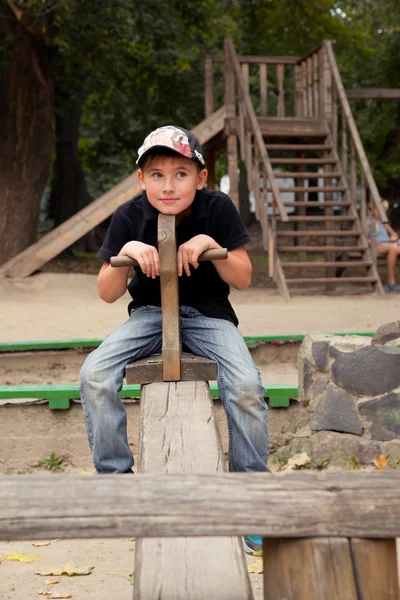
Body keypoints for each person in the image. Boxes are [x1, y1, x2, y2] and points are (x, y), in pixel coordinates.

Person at [79, 125, 268, 555]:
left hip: (208, 315)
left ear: (201, 178)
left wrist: (210, 242)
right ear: (141, 179)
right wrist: (125, 252)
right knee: (94, 375)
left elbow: (242, 278)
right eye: (157, 174)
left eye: (181, 173)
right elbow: (107, 292)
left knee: (245, 385)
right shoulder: (130, 215)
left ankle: (251, 497)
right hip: (148, 316)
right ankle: (116, 486)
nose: (169, 185)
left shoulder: (217, 207)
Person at [367, 199, 400, 293]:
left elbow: (394, 235)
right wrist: (374, 242)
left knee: (394, 248)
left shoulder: (384, 223)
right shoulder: (368, 222)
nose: (382, 212)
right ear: (372, 209)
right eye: (380, 210)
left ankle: (391, 282)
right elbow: (364, 239)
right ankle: (391, 281)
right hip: (376, 247)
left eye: (384, 210)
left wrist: (393, 236)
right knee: (392, 248)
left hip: (388, 246)